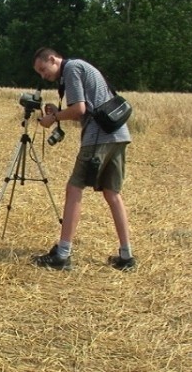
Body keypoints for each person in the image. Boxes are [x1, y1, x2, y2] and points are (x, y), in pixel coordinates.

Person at [31, 47, 135, 271]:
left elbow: (79, 109)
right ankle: (126, 256)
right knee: (112, 193)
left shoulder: (72, 69)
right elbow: (87, 110)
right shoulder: (80, 67)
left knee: (74, 188)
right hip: (118, 135)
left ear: (53, 59)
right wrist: (57, 112)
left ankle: (63, 254)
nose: (44, 75)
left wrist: (53, 118)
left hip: (98, 138)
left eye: (43, 69)